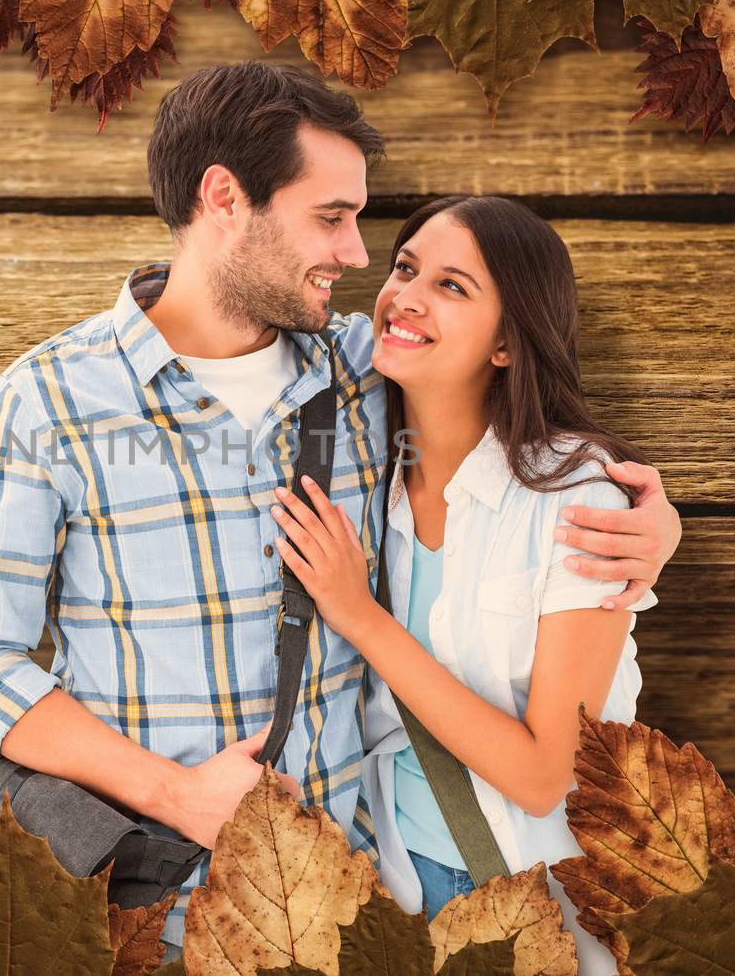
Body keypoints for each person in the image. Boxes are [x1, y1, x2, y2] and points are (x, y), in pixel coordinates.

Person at [0, 62, 683, 960]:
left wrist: (649, 526)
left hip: (346, 911)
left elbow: (497, 422)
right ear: (224, 198)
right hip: (146, 905)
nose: (358, 256)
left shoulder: (364, 371)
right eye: (331, 217)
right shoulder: (45, 403)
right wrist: (173, 792)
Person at [267, 194, 659, 973]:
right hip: (387, 884)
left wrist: (360, 615)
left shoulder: (579, 501)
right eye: (406, 267)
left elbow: (545, 774)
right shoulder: (362, 469)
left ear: (509, 342)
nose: (406, 295)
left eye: (452, 286)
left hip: (531, 895)